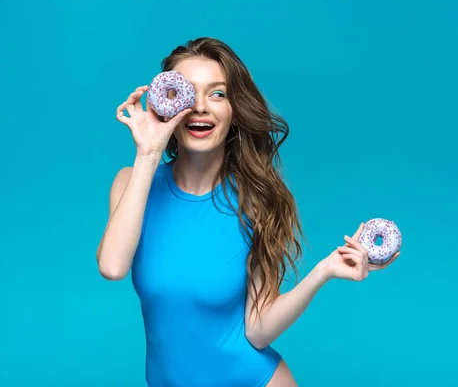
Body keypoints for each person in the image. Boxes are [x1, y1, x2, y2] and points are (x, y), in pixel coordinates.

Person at [96, 37, 399, 387]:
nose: (200, 107)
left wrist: (324, 271)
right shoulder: (131, 183)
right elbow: (112, 267)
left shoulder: (255, 202)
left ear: (235, 110)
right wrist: (148, 152)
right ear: (167, 103)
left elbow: (257, 331)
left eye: (218, 93)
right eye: (187, 93)